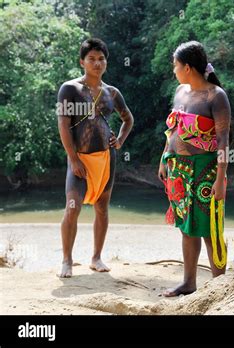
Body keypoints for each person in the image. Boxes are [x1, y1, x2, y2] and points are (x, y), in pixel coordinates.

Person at [158, 41, 231, 297]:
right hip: (179, 169)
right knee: (187, 227)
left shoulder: (215, 96)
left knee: (210, 227)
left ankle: (219, 286)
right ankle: (189, 283)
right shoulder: (180, 91)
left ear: (187, 67)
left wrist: (221, 178)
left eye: (176, 65)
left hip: (206, 170)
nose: (174, 70)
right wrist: (165, 157)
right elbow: (174, 128)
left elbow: (223, 141)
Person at [57, 38, 134, 278]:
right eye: (91, 58)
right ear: (82, 62)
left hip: (106, 159)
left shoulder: (112, 92)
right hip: (79, 158)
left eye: (101, 59)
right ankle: (67, 260)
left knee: (102, 208)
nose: (97, 63)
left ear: (106, 62)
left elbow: (128, 119)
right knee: (72, 208)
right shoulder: (69, 89)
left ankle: (96, 257)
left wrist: (119, 141)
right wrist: (73, 158)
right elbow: (63, 125)